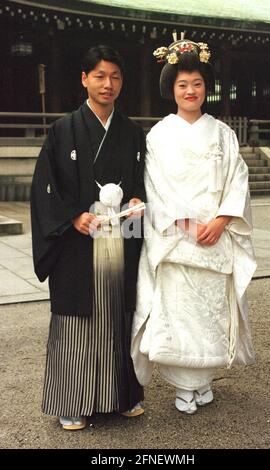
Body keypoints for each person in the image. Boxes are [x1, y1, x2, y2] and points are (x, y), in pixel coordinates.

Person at [131, 34, 257, 414]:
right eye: (182, 84)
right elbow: (155, 185)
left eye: (197, 84)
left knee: (210, 314)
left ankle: (203, 381)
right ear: (171, 89)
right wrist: (184, 222)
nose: (190, 91)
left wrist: (221, 220)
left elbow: (238, 179)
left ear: (206, 88)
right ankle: (184, 386)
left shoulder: (223, 133)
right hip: (177, 239)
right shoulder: (158, 135)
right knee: (180, 312)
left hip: (215, 237)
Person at [31, 45, 146, 430]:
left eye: (115, 76)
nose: (107, 84)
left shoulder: (130, 132)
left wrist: (135, 205)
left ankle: (119, 395)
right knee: (77, 320)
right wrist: (72, 218)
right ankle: (72, 399)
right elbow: (45, 189)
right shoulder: (63, 129)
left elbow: (140, 186)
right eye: (99, 76)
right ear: (84, 79)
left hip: (118, 238)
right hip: (76, 244)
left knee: (117, 313)